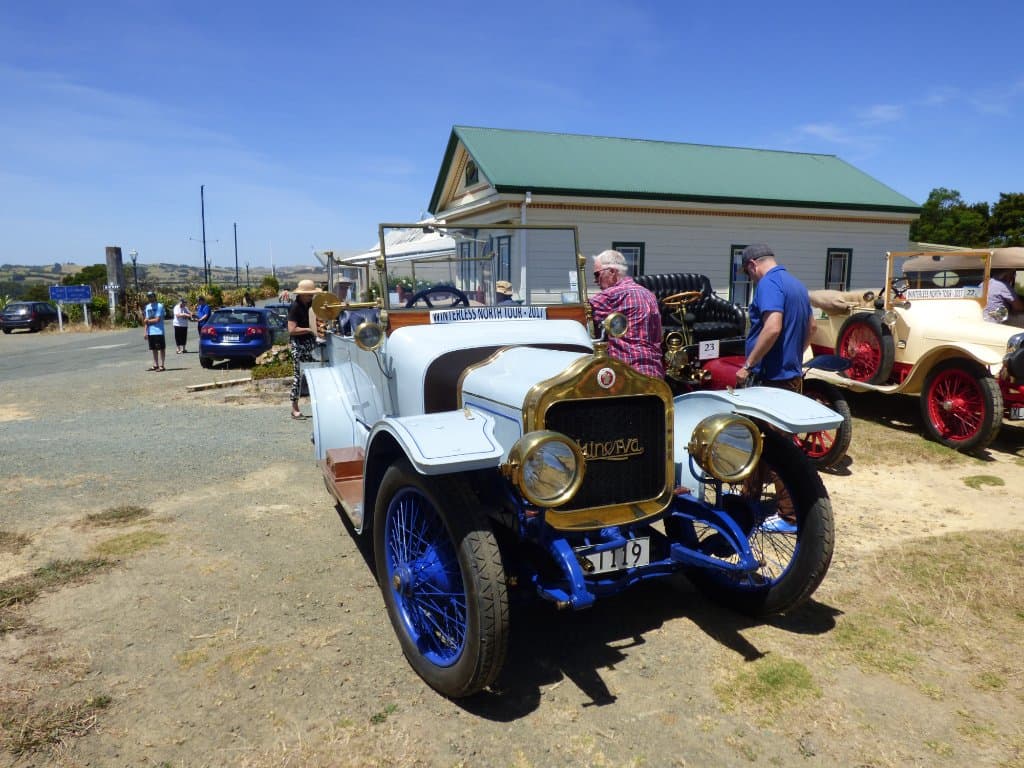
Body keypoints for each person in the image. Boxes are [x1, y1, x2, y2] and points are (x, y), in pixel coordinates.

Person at [735, 244, 814, 392]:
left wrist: (748, 366)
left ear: (752, 265)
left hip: (770, 378)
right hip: (792, 375)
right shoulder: (797, 284)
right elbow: (812, 327)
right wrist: (795, 354)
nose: (751, 279)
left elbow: (772, 328)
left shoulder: (768, 283)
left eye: (747, 273)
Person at [588, 249, 663, 378]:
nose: (595, 281)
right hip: (655, 374)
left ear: (612, 272)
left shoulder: (612, 295)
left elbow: (579, 311)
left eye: (597, 275)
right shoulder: (649, 295)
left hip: (626, 376)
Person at [287, 279, 321, 419]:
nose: (311, 296)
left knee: (316, 375)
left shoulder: (311, 305)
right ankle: (294, 408)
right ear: (302, 295)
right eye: (309, 294)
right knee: (298, 376)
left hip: (310, 344)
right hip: (299, 345)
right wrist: (310, 329)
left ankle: (317, 406)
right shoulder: (295, 307)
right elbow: (291, 330)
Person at [142, 291, 167, 371]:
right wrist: (145, 331)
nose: (150, 298)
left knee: (161, 348)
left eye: (151, 296)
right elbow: (146, 319)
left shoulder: (159, 306)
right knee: (154, 349)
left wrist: (148, 321)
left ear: (154, 297)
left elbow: (157, 319)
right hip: (151, 331)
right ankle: (156, 364)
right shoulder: (147, 307)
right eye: (149, 297)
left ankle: (162, 365)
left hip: (158, 331)